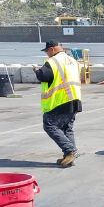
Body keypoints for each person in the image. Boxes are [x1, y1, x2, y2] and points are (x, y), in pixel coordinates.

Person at [33, 40, 82, 168]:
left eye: (47, 51)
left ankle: (70, 150)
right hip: (75, 98)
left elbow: (44, 76)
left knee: (49, 125)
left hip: (60, 100)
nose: (47, 54)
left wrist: (37, 71)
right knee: (66, 128)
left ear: (53, 49)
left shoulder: (53, 61)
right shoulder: (72, 60)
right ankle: (69, 156)